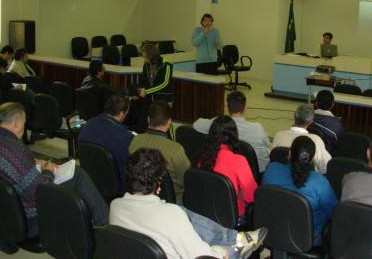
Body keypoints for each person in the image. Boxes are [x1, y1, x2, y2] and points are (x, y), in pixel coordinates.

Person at [110, 148, 268, 259]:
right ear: (158, 184)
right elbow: (203, 257)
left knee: (181, 210)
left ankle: (234, 237)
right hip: (203, 255)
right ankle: (238, 243)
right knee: (229, 251)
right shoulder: (170, 215)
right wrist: (221, 252)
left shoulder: (115, 206)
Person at [0, 103, 108, 246]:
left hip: (1, 210)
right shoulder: (17, 150)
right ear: (16, 123)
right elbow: (38, 191)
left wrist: (33, 161)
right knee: (77, 173)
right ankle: (103, 222)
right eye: (23, 124)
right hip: (29, 216)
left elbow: (7, 165)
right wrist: (48, 170)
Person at [262, 136, 338, 247]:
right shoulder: (320, 182)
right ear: (312, 160)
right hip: (307, 240)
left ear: (289, 154)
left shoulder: (271, 169)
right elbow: (335, 213)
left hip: (273, 232)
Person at [193, 91, 270, 172]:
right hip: (256, 171)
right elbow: (267, 145)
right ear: (245, 108)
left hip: (227, 168)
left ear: (226, 107)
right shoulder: (257, 128)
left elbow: (196, 124)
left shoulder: (218, 123)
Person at [198, 116, 257, 219]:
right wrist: (237, 191)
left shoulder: (203, 157)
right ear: (234, 136)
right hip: (232, 217)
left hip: (206, 212)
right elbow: (252, 196)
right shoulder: (239, 160)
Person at [129, 100, 191, 199]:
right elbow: (187, 179)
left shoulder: (134, 141)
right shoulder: (176, 149)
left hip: (140, 195)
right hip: (172, 200)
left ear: (148, 120)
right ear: (169, 122)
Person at [78, 94, 134, 190]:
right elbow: (126, 169)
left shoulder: (88, 125)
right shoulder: (125, 137)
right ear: (121, 114)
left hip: (89, 179)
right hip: (117, 186)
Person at [272, 104, 332, 174]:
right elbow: (327, 166)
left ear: (294, 116)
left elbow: (272, 157)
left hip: (279, 175)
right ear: (310, 122)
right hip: (307, 180)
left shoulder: (278, 135)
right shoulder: (316, 140)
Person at [135, 43, 173, 132]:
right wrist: (138, 91)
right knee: (141, 123)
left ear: (151, 55)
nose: (144, 59)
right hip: (148, 99)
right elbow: (144, 82)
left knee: (162, 125)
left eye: (145, 57)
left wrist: (147, 91)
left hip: (162, 99)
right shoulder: (146, 65)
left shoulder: (166, 64)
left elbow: (165, 83)